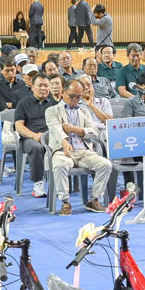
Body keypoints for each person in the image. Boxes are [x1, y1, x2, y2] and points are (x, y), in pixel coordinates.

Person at [47, 79, 113, 214]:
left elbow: (94, 132)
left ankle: (94, 200)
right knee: (59, 165)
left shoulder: (84, 111)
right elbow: (55, 128)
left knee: (106, 164)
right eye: (72, 96)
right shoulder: (52, 110)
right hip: (62, 151)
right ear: (63, 92)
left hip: (84, 151)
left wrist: (76, 130)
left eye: (78, 97)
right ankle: (65, 202)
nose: (75, 100)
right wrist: (64, 141)